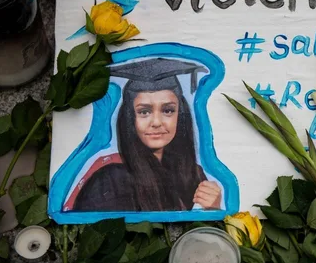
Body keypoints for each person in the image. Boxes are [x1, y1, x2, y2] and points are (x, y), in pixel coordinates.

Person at [73, 58, 222, 212]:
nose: (156, 122)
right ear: (130, 119)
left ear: (180, 116)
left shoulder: (193, 175)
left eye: (168, 110)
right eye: (144, 112)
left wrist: (213, 210)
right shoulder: (110, 181)